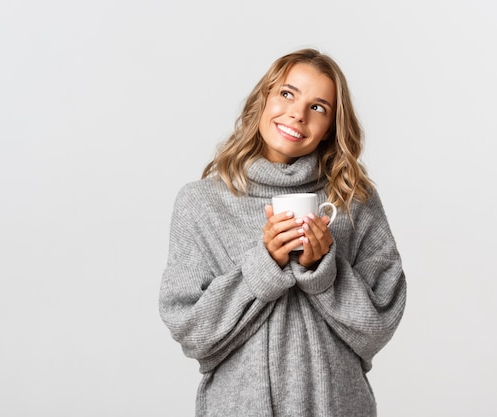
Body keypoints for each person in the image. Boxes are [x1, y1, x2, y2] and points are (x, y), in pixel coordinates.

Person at [159, 48, 407, 417]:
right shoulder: (201, 203)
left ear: (331, 128)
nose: (297, 113)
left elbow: (379, 325)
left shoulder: (353, 200)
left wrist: (323, 268)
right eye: (287, 94)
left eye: (318, 107)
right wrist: (266, 264)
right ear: (264, 99)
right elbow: (193, 333)